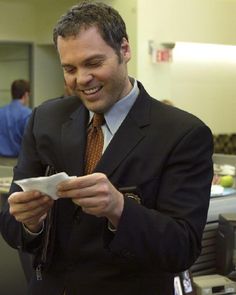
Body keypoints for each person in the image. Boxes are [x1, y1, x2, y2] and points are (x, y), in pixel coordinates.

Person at [0, 2, 213, 295]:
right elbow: (12, 227)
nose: (81, 79)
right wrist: (30, 222)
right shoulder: (45, 119)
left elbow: (182, 248)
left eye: (93, 63)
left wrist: (120, 209)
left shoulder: (182, 134)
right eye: (69, 68)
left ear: (124, 50)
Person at [0, 79, 31, 157]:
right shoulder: (27, 114)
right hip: (19, 163)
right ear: (26, 94)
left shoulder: (1, 112)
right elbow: (30, 141)